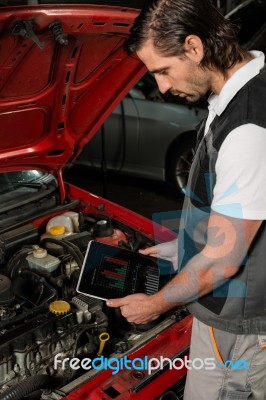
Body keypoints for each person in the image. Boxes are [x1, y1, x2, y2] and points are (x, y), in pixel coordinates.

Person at [107, 0, 266, 398]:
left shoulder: (248, 128)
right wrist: (181, 249)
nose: (161, 86)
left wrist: (155, 304)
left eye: (162, 70)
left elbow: (224, 261)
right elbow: (228, 217)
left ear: (194, 48)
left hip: (237, 326)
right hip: (224, 306)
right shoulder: (237, 95)